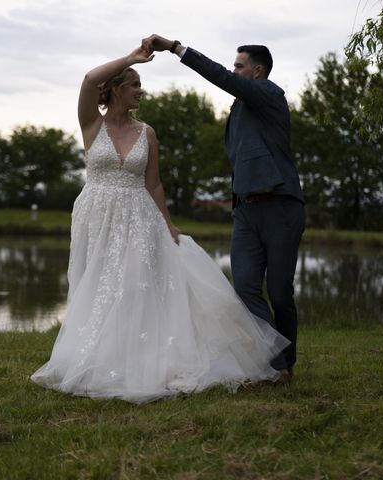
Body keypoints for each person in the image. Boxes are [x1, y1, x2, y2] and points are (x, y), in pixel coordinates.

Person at [30, 45, 290, 403]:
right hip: (96, 215)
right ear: (117, 89)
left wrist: (168, 225)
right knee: (98, 285)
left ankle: (141, 361)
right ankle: (96, 358)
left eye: (140, 84)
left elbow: (153, 183)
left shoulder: (146, 132)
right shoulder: (92, 124)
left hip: (140, 217)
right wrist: (132, 58)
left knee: (134, 286)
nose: (140, 90)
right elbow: (90, 79)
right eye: (135, 84)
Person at [142, 35, 305, 385]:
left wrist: (176, 48)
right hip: (245, 211)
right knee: (245, 288)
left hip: (280, 207)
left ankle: (286, 362)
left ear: (257, 72)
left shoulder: (269, 95)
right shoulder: (242, 108)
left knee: (279, 292)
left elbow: (223, 79)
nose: (234, 71)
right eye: (234, 65)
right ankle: (274, 365)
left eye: (239, 65)